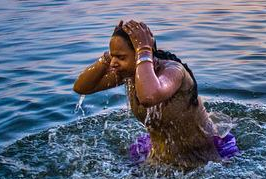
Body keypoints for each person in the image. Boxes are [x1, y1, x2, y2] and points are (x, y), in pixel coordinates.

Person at [73, 20, 239, 167]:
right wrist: (107, 57)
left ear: (142, 55)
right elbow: (82, 87)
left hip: (200, 156)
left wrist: (144, 49)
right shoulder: (129, 74)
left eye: (121, 57)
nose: (114, 63)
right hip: (158, 154)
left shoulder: (173, 71)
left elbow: (149, 96)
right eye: (113, 56)